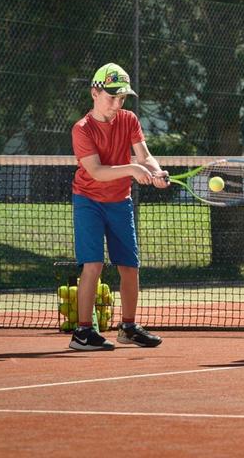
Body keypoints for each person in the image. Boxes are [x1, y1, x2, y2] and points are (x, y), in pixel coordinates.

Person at [69, 63, 168, 351]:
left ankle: (128, 327)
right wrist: (132, 169)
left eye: (122, 97)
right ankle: (83, 332)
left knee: (130, 266)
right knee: (93, 264)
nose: (117, 103)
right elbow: (97, 171)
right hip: (88, 201)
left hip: (119, 202)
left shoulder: (129, 119)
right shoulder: (82, 129)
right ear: (94, 93)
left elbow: (145, 156)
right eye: (111, 96)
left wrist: (156, 171)